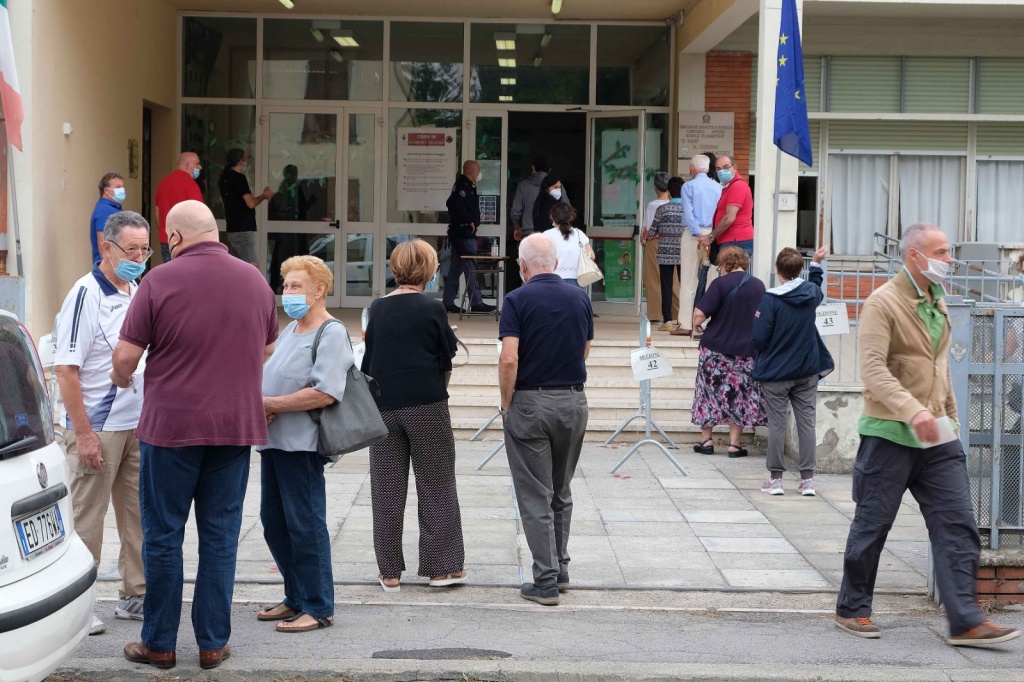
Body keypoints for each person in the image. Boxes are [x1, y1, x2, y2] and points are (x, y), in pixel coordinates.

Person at [834, 223, 1020, 647]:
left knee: (958, 524)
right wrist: (910, 409)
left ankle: (965, 621)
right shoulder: (883, 303)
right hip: (889, 434)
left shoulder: (937, 300)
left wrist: (950, 416)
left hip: (936, 434)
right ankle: (853, 608)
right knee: (872, 526)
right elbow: (873, 370)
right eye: (941, 251)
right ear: (915, 256)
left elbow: (940, 369)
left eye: (949, 251)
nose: (949, 259)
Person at [112, 200, 278, 670]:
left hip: (171, 429)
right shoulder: (253, 279)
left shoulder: (158, 281)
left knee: (163, 536)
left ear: (176, 238)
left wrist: (122, 380)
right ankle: (212, 643)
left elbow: (125, 357)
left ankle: (159, 644)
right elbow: (267, 346)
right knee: (220, 537)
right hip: (233, 428)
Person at [55, 211, 151, 637]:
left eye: (146, 249)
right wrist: (84, 434)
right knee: (86, 519)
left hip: (137, 424)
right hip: (98, 426)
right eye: (132, 249)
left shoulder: (136, 289)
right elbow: (66, 371)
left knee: (137, 516)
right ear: (107, 248)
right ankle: (78, 605)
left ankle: (136, 595)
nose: (141, 257)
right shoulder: (84, 293)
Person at [362, 239, 466, 592]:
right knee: (436, 485)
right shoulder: (431, 309)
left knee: (387, 489)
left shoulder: (377, 309)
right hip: (427, 404)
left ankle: (389, 572)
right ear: (430, 269)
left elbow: (369, 362)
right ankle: (441, 568)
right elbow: (446, 355)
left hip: (384, 407)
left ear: (395, 269)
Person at [499, 233, 593, 606]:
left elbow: (509, 358)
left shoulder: (516, 299)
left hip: (530, 401)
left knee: (535, 494)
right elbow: (585, 348)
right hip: (573, 400)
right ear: (554, 263)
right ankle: (562, 567)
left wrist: (507, 404)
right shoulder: (580, 298)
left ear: (522, 267)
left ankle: (546, 580)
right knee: (562, 489)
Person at [257, 255, 346, 632]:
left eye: (295, 286)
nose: (287, 293)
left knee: (305, 525)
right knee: (274, 523)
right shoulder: (290, 330)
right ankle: (295, 596)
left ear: (318, 290)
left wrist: (272, 404)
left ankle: (317, 605)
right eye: (286, 285)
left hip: (302, 446)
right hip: (272, 442)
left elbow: (326, 392)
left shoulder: (331, 331)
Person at [752, 246, 834, 496]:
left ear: (777, 271)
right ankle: (807, 480)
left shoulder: (771, 299)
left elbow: (758, 337)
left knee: (777, 425)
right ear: (800, 270)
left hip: (776, 371)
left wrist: (762, 355)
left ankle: (776, 480)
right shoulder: (809, 294)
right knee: (806, 423)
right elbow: (816, 287)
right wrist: (817, 263)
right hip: (807, 369)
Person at [690, 246, 767, 458]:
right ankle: (734, 445)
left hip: (715, 350)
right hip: (745, 351)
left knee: (708, 393)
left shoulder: (720, 283)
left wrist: (697, 325)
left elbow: (699, 313)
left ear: (725, 264)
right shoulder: (758, 285)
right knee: (739, 395)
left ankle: (706, 441)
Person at [672, 156, 722, 337]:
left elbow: (688, 212)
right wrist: (710, 235)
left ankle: (686, 323)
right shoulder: (718, 187)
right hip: (713, 234)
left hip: (693, 235)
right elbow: (720, 213)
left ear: (693, 169)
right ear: (708, 169)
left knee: (688, 279)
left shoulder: (688, 186)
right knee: (711, 279)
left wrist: (697, 233)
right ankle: (706, 322)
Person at [442, 160, 495, 314]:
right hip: (463, 234)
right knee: (471, 267)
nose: (478, 175)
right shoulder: (462, 187)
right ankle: (476, 302)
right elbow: (455, 208)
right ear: (471, 172)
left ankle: (448, 302)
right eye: (477, 171)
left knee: (456, 268)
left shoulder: (466, 186)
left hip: (461, 234)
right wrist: (469, 221)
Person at [219, 148, 273, 269]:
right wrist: (264, 196)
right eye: (246, 159)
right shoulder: (239, 178)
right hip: (243, 227)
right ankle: (250, 288)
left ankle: (235, 288)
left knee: (237, 266)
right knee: (251, 265)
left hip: (232, 227)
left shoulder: (223, 178)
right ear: (240, 161)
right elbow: (250, 203)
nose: (247, 162)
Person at [698, 154, 754, 260]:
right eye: (718, 169)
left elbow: (729, 218)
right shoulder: (730, 186)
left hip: (735, 241)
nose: (722, 171)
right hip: (733, 240)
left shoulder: (737, 187)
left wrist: (711, 237)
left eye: (726, 167)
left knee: (732, 275)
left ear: (735, 167)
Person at [641, 171, 677, 323]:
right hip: (675, 243)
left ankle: (656, 315)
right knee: (675, 280)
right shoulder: (676, 205)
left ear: (656, 187)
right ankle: (676, 314)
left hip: (655, 243)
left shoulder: (652, 206)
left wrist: (645, 240)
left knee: (654, 279)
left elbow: (647, 229)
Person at [155, 152, 203, 263]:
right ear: (188, 165)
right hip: (186, 241)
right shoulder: (191, 185)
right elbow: (198, 215)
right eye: (197, 164)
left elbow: (158, 211)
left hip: (166, 239)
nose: (200, 167)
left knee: (169, 275)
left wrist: (164, 231)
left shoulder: (163, 183)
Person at [652, 177, 685, 331]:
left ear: (669, 192)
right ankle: (685, 320)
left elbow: (652, 231)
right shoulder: (687, 208)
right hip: (684, 253)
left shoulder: (662, 209)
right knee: (685, 286)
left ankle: (668, 321)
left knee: (666, 286)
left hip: (665, 252)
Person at [511, 156, 571, 241]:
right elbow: (566, 207)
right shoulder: (557, 185)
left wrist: (517, 227)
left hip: (529, 231)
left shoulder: (523, 185)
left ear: (533, 167)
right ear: (550, 169)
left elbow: (516, 211)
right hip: (552, 230)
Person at [694, 151, 721, 308]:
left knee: (699, 276)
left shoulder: (695, 186)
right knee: (710, 276)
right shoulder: (719, 186)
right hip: (715, 233)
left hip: (704, 234)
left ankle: (697, 310)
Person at [543, 203, 594, 286]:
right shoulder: (579, 233)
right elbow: (592, 256)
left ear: (552, 217)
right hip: (576, 280)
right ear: (570, 216)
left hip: (552, 279)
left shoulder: (547, 235)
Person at [90, 172, 125, 264]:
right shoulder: (104, 210)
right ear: (106, 190)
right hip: (109, 267)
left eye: (122, 186)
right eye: (118, 187)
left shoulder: (113, 207)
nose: (122, 190)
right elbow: (102, 242)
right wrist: (110, 266)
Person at [532, 174, 564, 238]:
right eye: (555, 187)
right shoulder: (543, 205)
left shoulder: (557, 204)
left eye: (559, 187)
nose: (558, 189)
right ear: (547, 189)